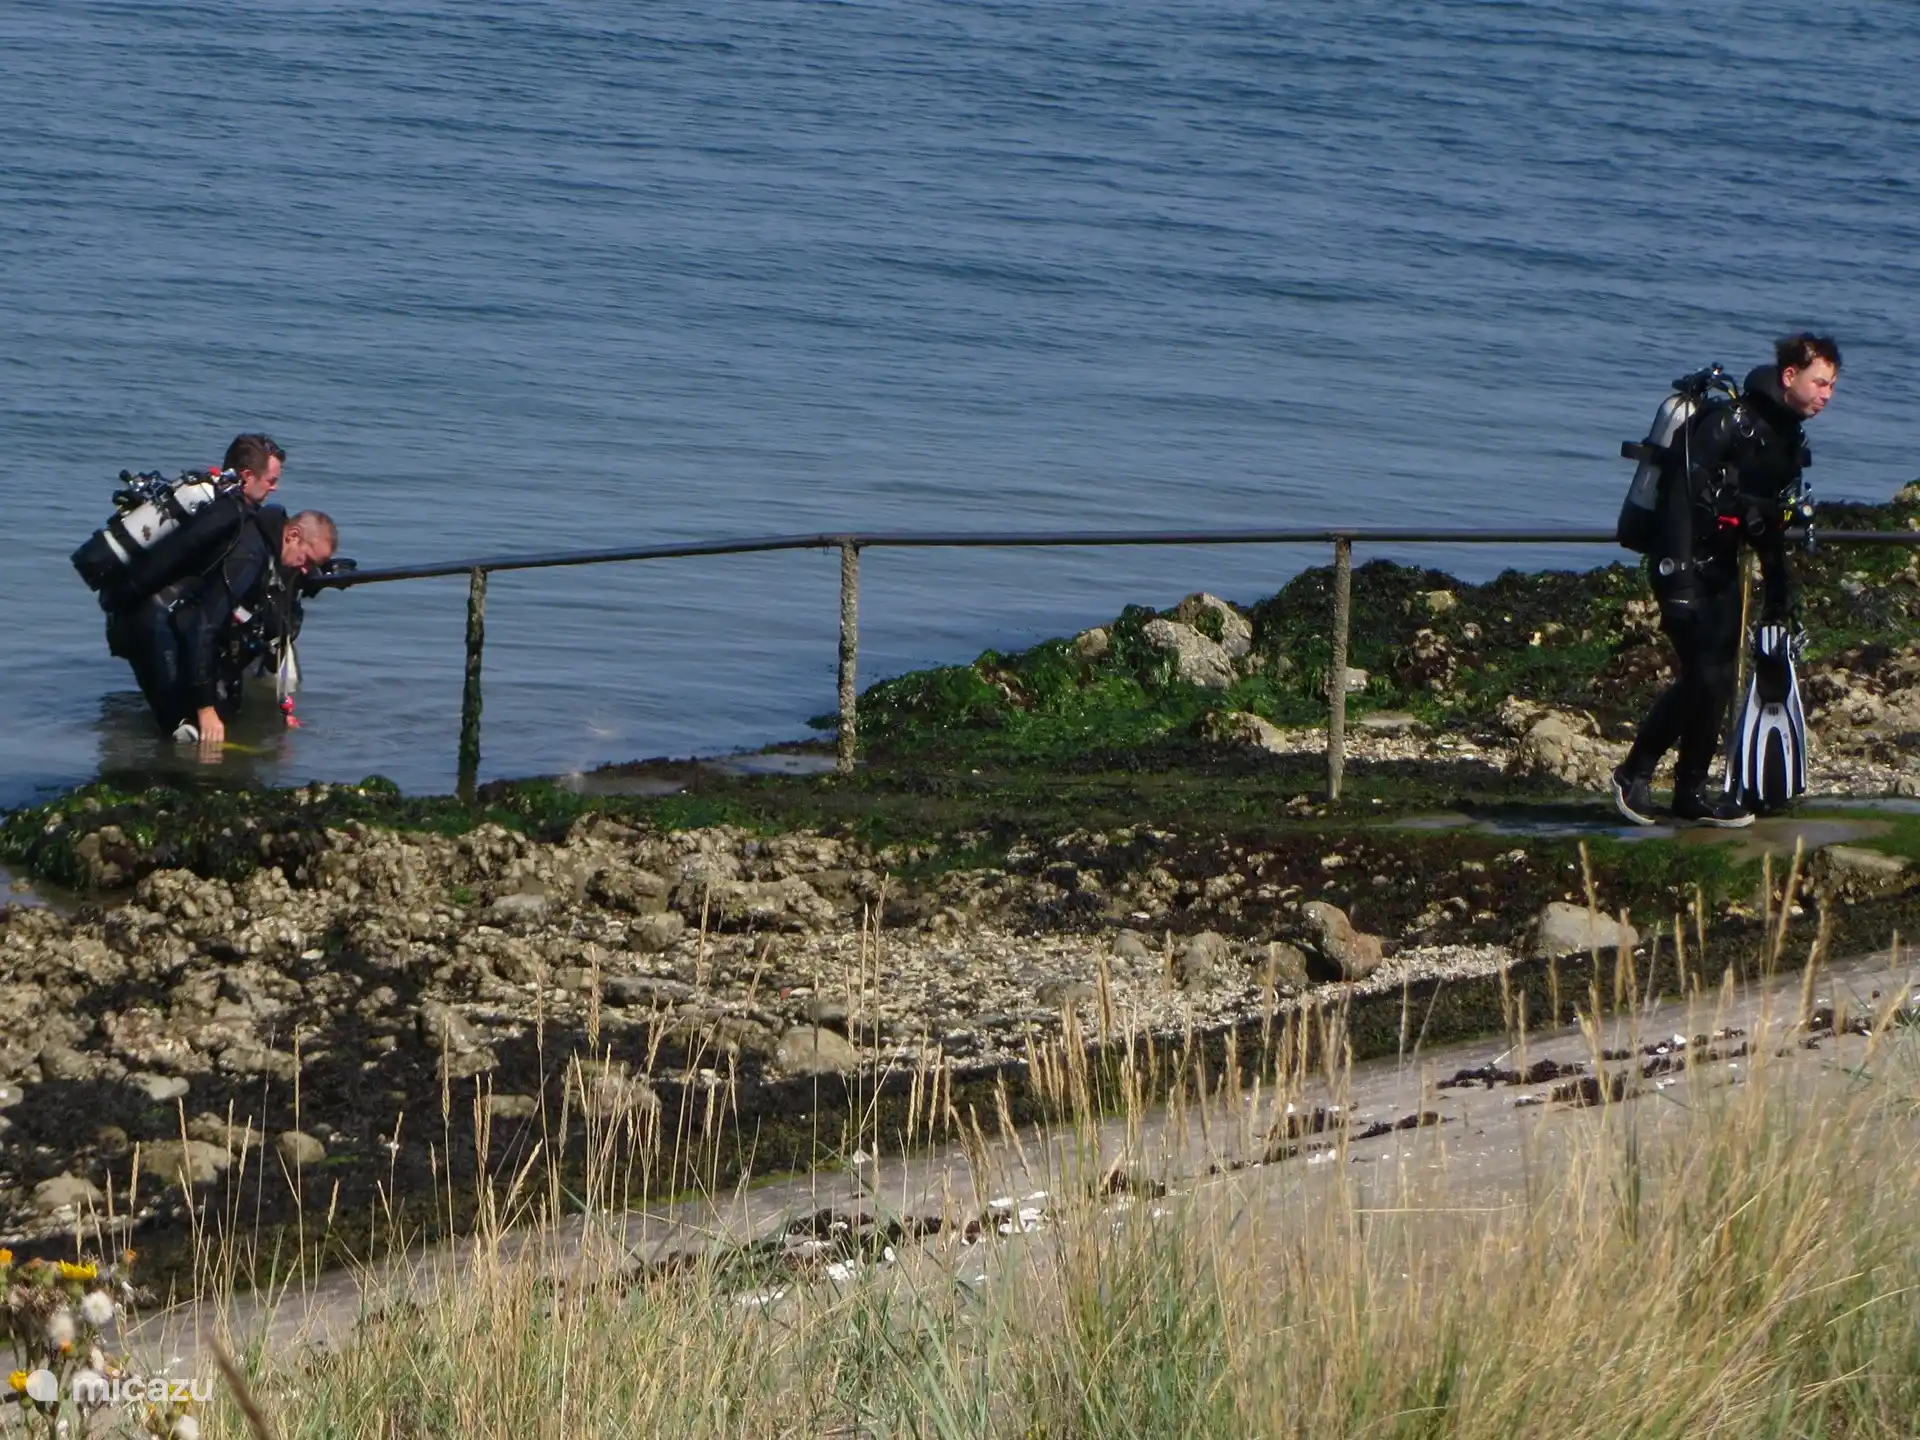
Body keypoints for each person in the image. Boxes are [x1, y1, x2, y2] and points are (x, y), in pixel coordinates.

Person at [1611, 334, 1840, 827]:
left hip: (1722, 567)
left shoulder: (1787, 438)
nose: (1826, 394)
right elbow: (1678, 503)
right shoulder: (1726, 424)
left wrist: (1780, 587)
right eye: (1819, 382)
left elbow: (1771, 519)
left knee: (1716, 679)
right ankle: (1633, 775)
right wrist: (1678, 578)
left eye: (1832, 385)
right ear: (1789, 377)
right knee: (1703, 676)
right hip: (1684, 565)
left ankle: (1691, 792)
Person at [107, 506, 337, 746]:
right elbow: (203, 627)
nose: (306, 570)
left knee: (225, 712)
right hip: (153, 626)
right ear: (293, 535)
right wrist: (205, 710)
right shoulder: (249, 555)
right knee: (186, 731)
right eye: (308, 561)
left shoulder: (268, 545)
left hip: (169, 623)